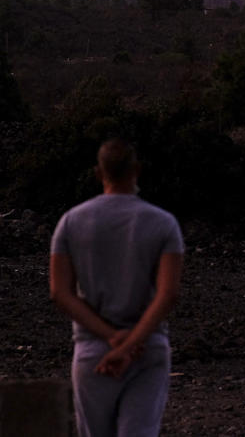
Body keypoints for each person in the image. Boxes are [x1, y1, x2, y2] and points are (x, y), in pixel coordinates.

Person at [50, 138, 184, 437]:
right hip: (147, 348)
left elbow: (60, 293)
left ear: (98, 174)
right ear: (136, 170)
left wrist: (113, 338)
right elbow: (168, 293)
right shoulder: (164, 224)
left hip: (94, 352)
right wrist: (131, 343)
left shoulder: (70, 223)